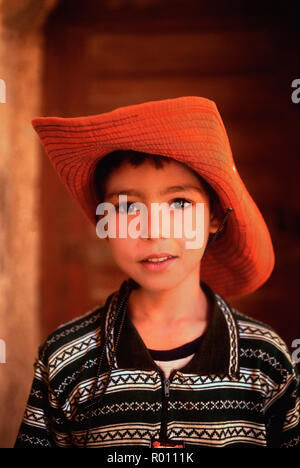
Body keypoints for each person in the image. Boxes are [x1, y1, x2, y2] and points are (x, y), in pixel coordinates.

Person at [14, 96, 299, 448]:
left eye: (179, 203)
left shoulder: (265, 358)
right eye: (127, 206)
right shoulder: (65, 358)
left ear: (213, 217)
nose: (153, 230)